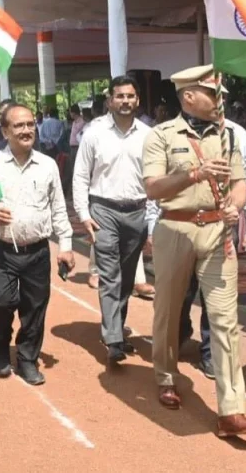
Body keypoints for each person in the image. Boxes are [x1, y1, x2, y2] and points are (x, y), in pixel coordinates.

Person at [143, 65, 246, 437]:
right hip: (175, 229)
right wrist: (193, 174)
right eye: (213, 93)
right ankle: (165, 376)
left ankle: (231, 409)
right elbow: (153, 188)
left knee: (225, 320)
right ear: (189, 96)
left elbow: (241, 184)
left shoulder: (230, 136)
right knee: (169, 309)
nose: (220, 100)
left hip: (217, 232)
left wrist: (236, 206)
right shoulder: (160, 136)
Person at [0, 103, 76, 386]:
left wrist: (65, 245)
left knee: (35, 307)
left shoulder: (47, 165)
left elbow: (58, 208)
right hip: (2, 250)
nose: (27, 130)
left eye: (30, 124)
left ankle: (28, 358)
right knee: (3, 303)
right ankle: (1, 346)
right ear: (5, 131)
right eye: (19, 126)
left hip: (38, 250)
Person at [177, 100, 246, 380]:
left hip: (221, 227)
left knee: (216, 295)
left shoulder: (236, 135)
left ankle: (209, 352)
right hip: (182, 226)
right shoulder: (173, 133)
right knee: (181, 291)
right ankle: (178, 332)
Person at [72, 75, 155, 364]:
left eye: (130, 96)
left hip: (138, 213)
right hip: (104, 210)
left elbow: (154, 179)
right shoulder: (94, 133)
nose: (125, 101)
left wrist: (152, 218)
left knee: (128, 277)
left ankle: (116, 328)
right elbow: (81, 175)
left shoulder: (148, 134)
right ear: (110, 101)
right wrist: (83, 214)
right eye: (119, 96)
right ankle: (114, 340)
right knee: (110, 275)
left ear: (137, 100)